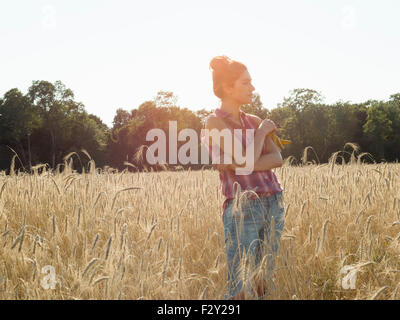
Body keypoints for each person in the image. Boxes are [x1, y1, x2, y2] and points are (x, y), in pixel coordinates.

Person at [201, 55, 286, 300]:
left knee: (262, 281)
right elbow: (244, 161)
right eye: (246, 83)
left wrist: (244, 163)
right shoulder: (215, 122)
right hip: (243, 208)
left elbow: (276, 159)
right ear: (228, 87)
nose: (253, 88)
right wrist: (260, 135)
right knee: (241, 287)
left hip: (273, 202)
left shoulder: (253, 120)